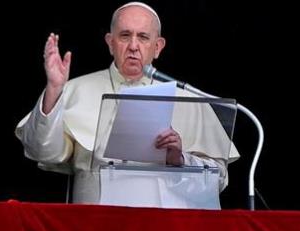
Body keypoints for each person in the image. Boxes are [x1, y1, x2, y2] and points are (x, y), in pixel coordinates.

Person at [15, 2, 238, 204]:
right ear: (110, 43)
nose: (133, 45)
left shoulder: (189, 99)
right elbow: (41, 151)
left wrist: (179, 159)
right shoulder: (75, 90)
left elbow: (217, 181)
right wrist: (54, 88)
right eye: (124, 35)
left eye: (143, 37)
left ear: (158, 46)